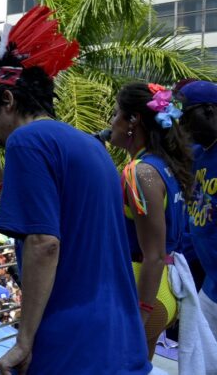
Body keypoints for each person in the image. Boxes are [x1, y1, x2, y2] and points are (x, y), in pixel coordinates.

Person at [0, 5, 151, 374]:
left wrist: (23, 341)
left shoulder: (26, 141)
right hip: (119, 339)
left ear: (7, 100)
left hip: (73, 345)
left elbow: (44, 243)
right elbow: (59, 223)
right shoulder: (88, 145)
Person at [110, 82, 193, 359]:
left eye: (116, 114)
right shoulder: (167, 166)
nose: (112, 122)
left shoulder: (140, 172)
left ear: (133, 120)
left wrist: (141, 314)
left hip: (142, 291)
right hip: (162, 289)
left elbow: (153, 255)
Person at [179, 80, 217, 339]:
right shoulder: (195, 154)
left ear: (210, 110)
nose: (181, 126)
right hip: (209, 288)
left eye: (186, 117)